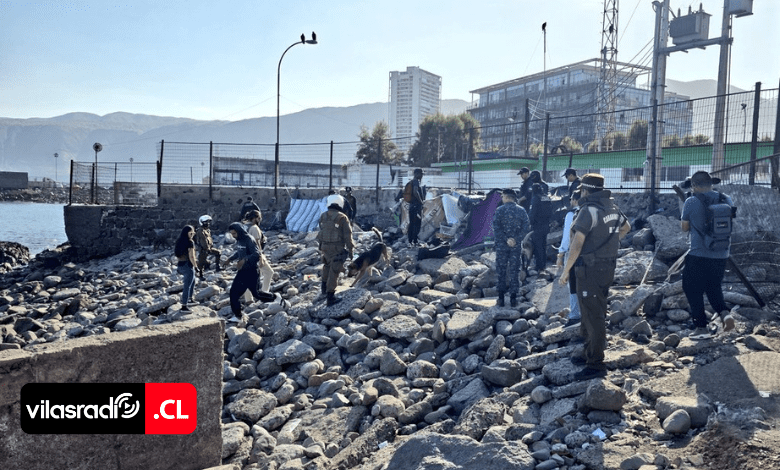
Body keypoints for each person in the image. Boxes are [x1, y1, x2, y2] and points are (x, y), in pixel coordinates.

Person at [559, 173, 630, 380]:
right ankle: (588, 351)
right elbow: (626, 227)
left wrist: (565, 271)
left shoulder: (587, 210)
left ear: (585, 190)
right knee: (591, 309)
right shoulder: (612, 207)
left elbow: (577, 244)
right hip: (607, 266)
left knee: (593, 314)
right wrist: (609, 244)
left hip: (589, 269)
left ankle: (596, 363)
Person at [681, 170, 736, 339]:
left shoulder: (691, 201)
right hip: (722, 253)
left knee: (692, 288)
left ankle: (701, 328)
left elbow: (684, 227)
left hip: (699, 254)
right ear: (711, 183)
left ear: (694, 186)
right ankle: (725, 314)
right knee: (713, 286)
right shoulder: (726, 199)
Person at [222, 222, 276, 316]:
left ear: (239, 231)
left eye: (234, 233)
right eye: (232, 234)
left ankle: (275, 298)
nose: (233, 236)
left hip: (252, 271)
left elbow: (256, 254)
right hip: (242, 271)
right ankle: (238, 316)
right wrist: (229, 259)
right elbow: (239, 252)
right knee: (233, 293)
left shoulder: (249, 239)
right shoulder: (239, 240)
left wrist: (244, 260)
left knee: (257, 294)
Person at [492, 188, 530, 307]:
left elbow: (496, 227)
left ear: (507, 197)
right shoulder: (521, 210)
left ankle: (501, 298)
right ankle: (513, 299)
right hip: (516, 246)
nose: (502, 198)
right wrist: (516, 239)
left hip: (502, 246)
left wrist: (506, 239)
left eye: (502, 196)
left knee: (501, 270)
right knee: (514, 270)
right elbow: (526, 227)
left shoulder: (499, 210)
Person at [317, 194, 355, 306]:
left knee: (326, 267)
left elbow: (321, 232)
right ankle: (330, 297)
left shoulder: (323, 216)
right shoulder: (342, 217)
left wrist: (321, 246)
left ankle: (324, 290)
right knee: (334, 271)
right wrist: (351, 250)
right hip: (337, 248)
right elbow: (348, 236)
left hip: (324, 248)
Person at [557, 191, 582, 326]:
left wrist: (560, 254)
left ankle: (575, 314)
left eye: (571, 199)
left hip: (573, 252)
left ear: (575, 200)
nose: (570, 201)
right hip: (590, 254)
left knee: (572, 282)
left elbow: (567, 236)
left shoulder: (572, 214)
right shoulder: (592, 211)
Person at [244, 209, 274, 292]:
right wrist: (261, 258)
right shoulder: (254, 228)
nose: (260, 220)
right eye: (259, 218)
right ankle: (264, 292)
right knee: (269, 272)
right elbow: (256, 244)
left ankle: (249, 298)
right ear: (254, 218)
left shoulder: (244, 227)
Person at [528, 182, 552, 272]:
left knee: (537, 246)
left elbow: (532, 213)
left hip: (537, 226)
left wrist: (530, 223)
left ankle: (539, 266)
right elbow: (551, 211)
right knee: (543, 246)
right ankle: (543, 265)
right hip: (546, 225)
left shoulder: (535, 198)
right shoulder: (546, 197)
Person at [173, 225, 198, 311]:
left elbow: (177, 254)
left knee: (192, 281)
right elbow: (192, 256)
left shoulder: (179, 241)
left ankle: (190, 299)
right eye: (191, 233)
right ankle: (184, 306)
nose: (193, 234)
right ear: (187, 233)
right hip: (188, 265)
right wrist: (196, 266)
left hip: (180, 265)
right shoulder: (190, 242)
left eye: (193, 233)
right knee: (187, 286)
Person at [405, 168, 425, 246]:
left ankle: (411, 241)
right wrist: (421, 201)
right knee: (417, 224)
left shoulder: (412, 182)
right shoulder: (416, 181)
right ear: (416, 174)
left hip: (412, 207)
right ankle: (415, 241)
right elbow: (415, 192)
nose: (422, 176)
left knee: (412, 224)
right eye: (421, 174)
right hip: (416, 207)